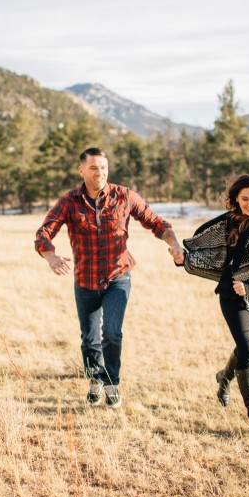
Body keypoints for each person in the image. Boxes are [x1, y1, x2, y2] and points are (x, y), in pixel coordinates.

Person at [36, 147, 184, 408]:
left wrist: (174, 244)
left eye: (103, 167)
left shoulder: (124, 196)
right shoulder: (69, 201)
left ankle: (112, 384)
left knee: (112, 333)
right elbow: (44, 231)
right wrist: (50, 257)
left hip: (118, 277)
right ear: (81, 170)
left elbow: (156, 222)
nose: (100, 173)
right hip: (86, 280)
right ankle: (95, 380)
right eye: (93, 168)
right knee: (89, 338)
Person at [175, 175, 249, 433]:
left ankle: (224, 378)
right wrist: (184, 260)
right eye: (245, 199)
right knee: (248, 354)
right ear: (237, 198)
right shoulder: (228, 223)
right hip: (232, 296)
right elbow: (205, 252)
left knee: (243, 349)